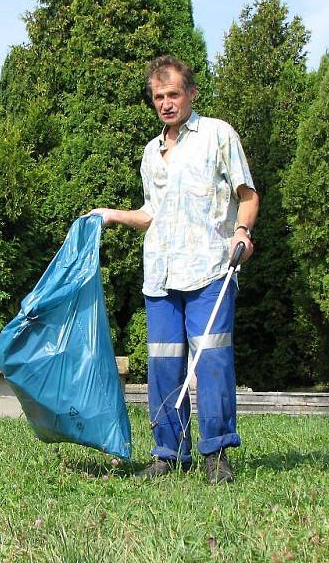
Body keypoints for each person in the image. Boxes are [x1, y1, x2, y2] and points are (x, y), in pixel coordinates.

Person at [90, 55, 258, 484]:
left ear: (191, 94)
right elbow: (152, 212)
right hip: (160, 275)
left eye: (173, 94)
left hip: (209, 272)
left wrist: (241, 231)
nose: (166, 103)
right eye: (159, 96)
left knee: (213, 363)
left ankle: (217, 454)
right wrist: (110, 215)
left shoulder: (218, 135)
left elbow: (247, 195)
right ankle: (169, 454)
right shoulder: (151, 152)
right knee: (164, 365)